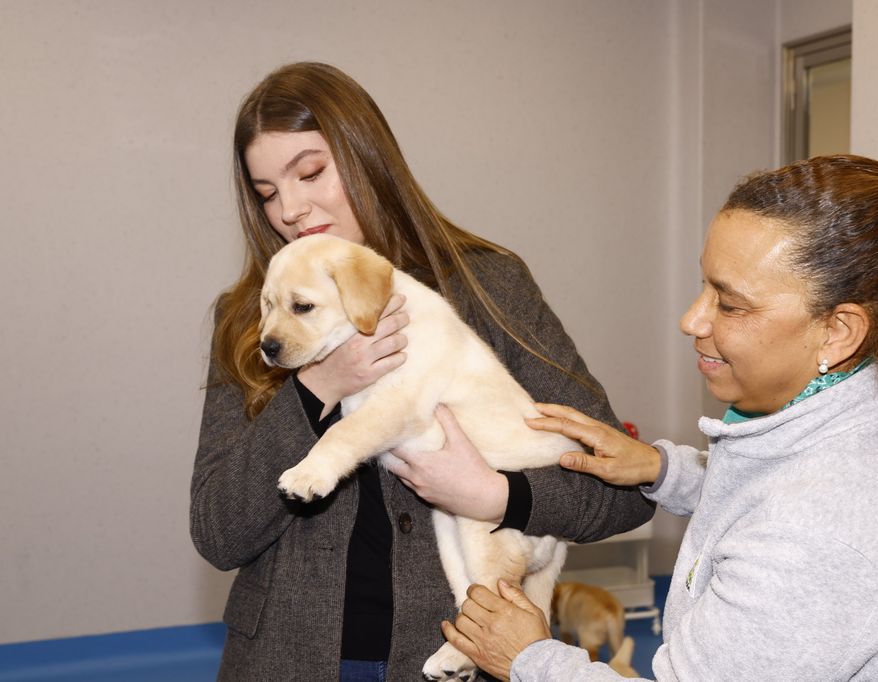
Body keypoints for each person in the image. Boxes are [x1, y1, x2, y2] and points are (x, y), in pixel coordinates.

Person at [440, 155, 878, 681]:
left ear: (837, 330)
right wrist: (664, 470)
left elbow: (806, 524)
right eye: (705, 286)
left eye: (731, 303)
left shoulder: (824, 532)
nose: (692, 320)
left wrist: (530, 658)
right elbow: (777, 490)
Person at [189, 62, 654, 682]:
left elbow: (619, 490)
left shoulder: (488, 284)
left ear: (366, 157)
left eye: (311, 172)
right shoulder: (257, 318)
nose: (291, 209)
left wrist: (499, 494)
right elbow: (219, 533)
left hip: (463, 654)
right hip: (285, 659)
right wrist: (317, 388)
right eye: (268, 192)